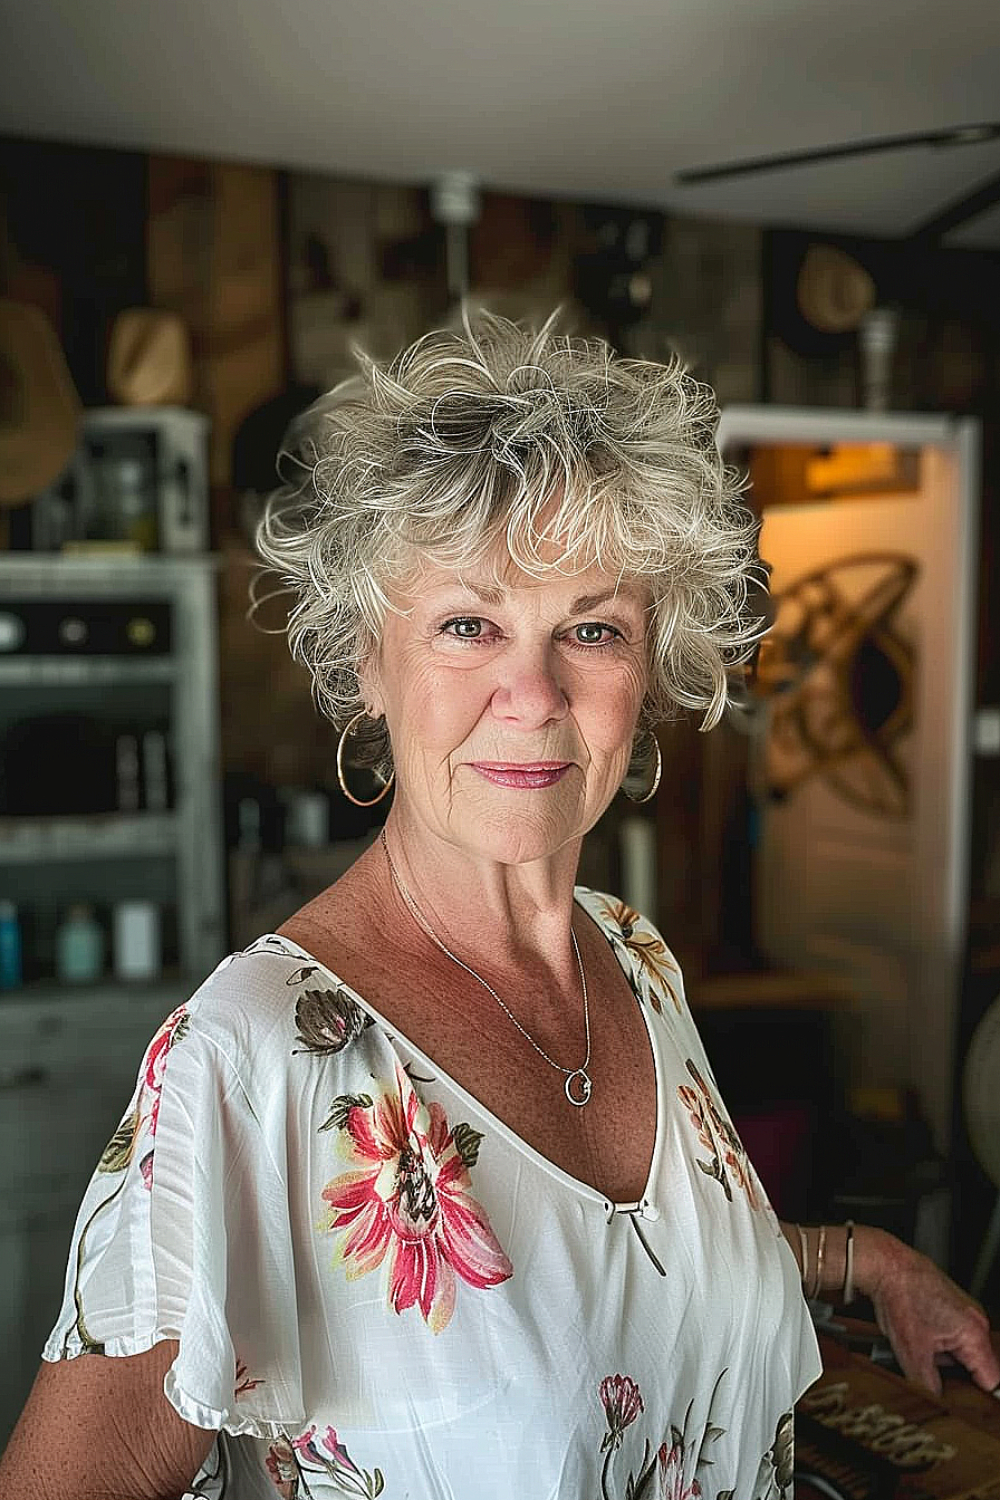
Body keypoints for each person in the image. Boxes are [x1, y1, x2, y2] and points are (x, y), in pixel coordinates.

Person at [2, 311, 996, 1500]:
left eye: (592, 628)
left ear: (650, 673)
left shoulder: (635, 959)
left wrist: (859, 1257)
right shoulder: (252, 1060)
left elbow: (599, 1269)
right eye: (467, 625)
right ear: (367, 662)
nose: (531, 693)